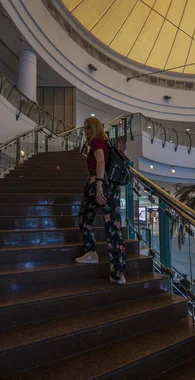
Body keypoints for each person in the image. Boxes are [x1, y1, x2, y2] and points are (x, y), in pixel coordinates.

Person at [75, 117, 127, 284]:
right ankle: (118, 272)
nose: (85, 131)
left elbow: (100, 162)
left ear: (95, 128)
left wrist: (98, 185)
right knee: (114, 229)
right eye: (84, 128)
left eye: (88, 127)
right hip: (112, 189)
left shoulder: (96, 141)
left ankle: (91, 252)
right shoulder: (106, 143)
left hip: (98, 184)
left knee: (84, 219)